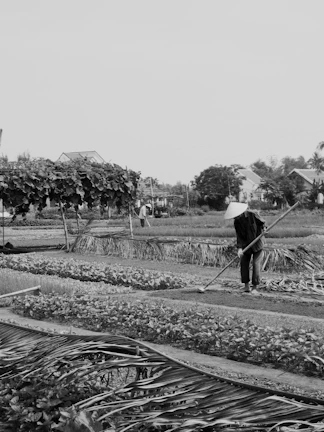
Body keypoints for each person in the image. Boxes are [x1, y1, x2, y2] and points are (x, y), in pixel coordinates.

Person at [224, 202, 265, 293]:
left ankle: (255, 287)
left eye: (236, 215)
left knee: (255, 264)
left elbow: (262, 224)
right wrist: (239, 248)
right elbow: (239, 236)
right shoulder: (237, 222)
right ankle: (246, 286)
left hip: (257, 244)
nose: (235, 217)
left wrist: (263, 230)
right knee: (243, 263)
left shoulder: (253, 215)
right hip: (246, 245)